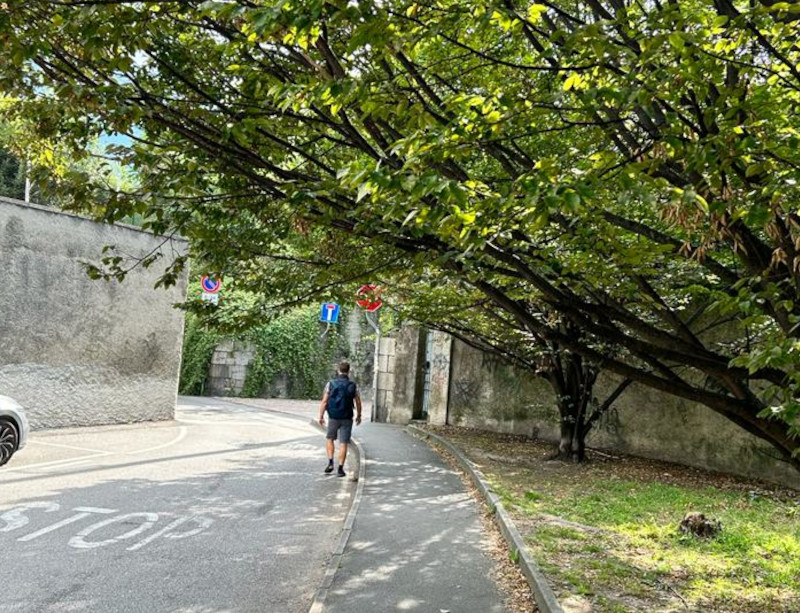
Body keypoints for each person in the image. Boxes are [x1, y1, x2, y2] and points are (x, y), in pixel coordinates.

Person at [318, 360, 362, 477]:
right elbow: (358, 402)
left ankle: (330, 463)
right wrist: (359, 415)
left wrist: (321, 416)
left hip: (333, 416)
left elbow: (324, 401)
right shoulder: (353, 385)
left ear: (338, 370)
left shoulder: (330, 384)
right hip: (347, 417)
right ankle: (340, 469)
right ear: (349, 371)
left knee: (330, 439)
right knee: (343, 443)